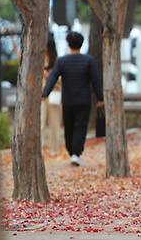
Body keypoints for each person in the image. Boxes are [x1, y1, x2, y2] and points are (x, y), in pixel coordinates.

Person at [42, 32, 103, 166]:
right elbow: (96, 81)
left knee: (68, 127)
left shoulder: (62, 61)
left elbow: (52, 78)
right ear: (81, 45)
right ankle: (76, 153)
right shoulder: (89, 61)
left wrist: (44, 93)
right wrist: (100, 97)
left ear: (68, 44)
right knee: (81, 126)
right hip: (83, 100)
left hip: (67, 100)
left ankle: (72, 152)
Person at [41, 34, 61, 156]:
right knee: (41, 123)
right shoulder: (37, 59)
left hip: (53, 94)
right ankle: (40, 148)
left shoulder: (57, 61)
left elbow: (60, 79)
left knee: (54, 123)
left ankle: (54, 149)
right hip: (40, 96)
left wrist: (51, 77)